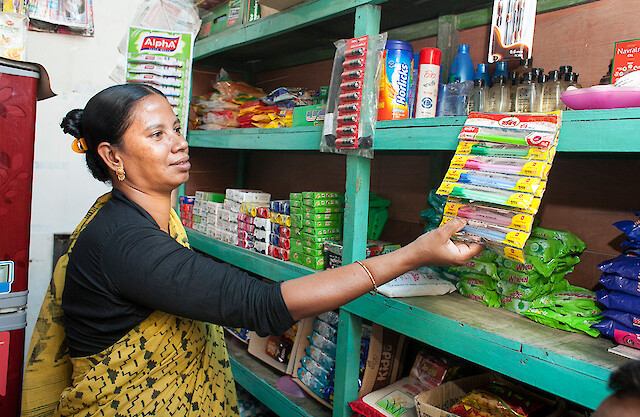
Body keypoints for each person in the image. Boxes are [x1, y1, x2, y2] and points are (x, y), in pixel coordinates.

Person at [21, 84, 482, 417]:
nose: (180, 143)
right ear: (113, 156)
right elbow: (262, 306)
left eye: (177, 129)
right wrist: (411, 255)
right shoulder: (124, 241)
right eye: (157, 135)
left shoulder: (148, 217)